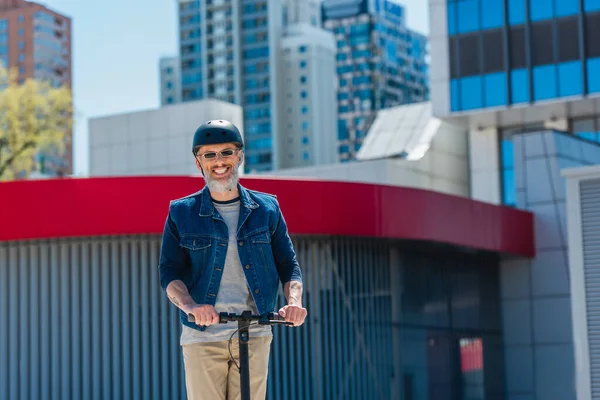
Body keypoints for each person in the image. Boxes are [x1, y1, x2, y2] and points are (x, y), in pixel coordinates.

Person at [158, 119, 307, 400]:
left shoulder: (267, 209)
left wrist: (294, 303)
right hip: (203, 334)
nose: (219, 161)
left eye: (227, 152)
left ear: (240, 155)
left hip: (255, 331)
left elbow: (288, 265)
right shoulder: (181, 213)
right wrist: (191, 306)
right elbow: (169, 271)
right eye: (209, 154)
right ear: (198, 162)